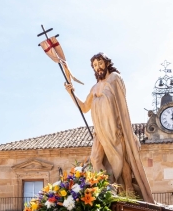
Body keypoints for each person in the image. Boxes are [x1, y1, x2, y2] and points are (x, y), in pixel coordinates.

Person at [65, 53, 154, 202]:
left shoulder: (114, 78)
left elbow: (122, 104)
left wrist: (127, 131)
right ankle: (106, 188)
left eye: (100, 63)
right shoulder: (94, 88)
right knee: (95, 158)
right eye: (94, 65)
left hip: (115, 128)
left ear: (106, 63)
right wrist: (71, 93)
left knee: (122, 159)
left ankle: (129, 190)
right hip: (100, 131)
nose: (97, 67)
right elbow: (84, 108)